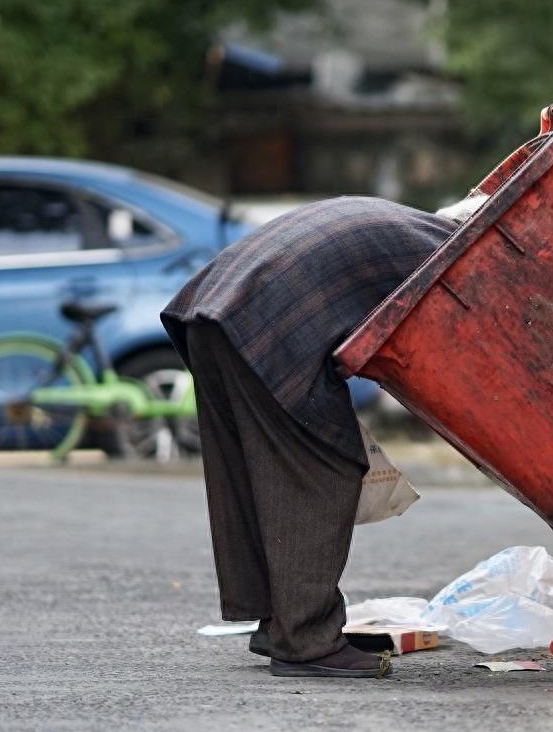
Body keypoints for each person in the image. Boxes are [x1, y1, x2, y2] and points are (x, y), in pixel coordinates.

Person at [162, 194, 477, 678]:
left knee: (255, 470)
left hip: (210, 311)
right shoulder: (453, 260)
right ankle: (306, 641)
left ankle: (278, 621)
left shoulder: (411, 230)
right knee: (321, 468)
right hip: (259, 320)